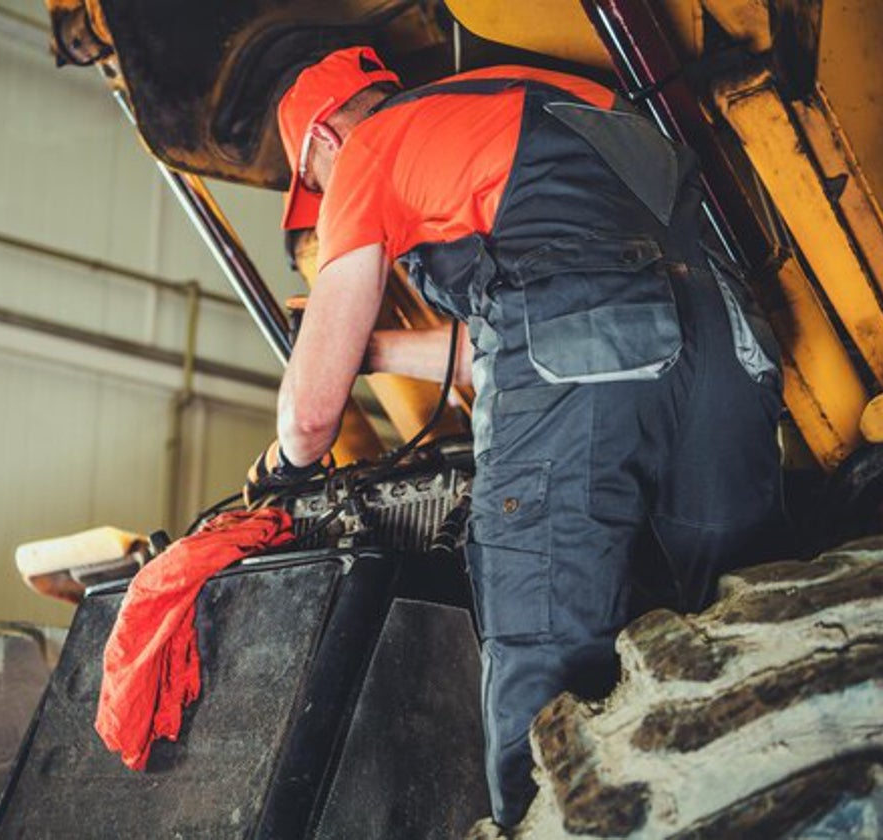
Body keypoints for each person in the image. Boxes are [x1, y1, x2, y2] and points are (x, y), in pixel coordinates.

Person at [243, 45, 784, 832]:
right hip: (729, 353)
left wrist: (281, 466)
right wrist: (381, 352)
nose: (325, 199)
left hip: (588, 361)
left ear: (322, 140)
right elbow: (541, 315)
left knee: (547, 661)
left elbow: (310, 417)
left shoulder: (366, 149)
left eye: (315, 188)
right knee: (741, 625)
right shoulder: (557, 100)